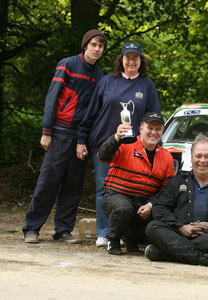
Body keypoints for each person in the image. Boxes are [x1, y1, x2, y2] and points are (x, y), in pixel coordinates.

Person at [22, 29, 107, 244]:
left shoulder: (100, 76)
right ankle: (31, 228)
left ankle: (63, 230)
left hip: (82, 138)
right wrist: (46, 131)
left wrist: (87, 139)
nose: (97, 49)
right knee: (48, 181)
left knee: (73, 184)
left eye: (101, 46)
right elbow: (53, 97)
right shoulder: (67, 64)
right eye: (94, 44)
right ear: (85, 45)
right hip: (60, 131)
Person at [76, 42, 160, 247]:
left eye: (135, 58)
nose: (131, 62)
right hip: (105, 144)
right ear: (121, 60)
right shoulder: (106, 82)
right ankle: (103, 233)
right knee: (104, 188)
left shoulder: (147, 85)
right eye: (127, 58)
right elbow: (90, 114)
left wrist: (157, 146)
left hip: (134, 148)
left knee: (128, 191)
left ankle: (121, 233)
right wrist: (81, 140)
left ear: (141, 61)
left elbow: (155, 118)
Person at [145, 134, 208, 268]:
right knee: (153, 227)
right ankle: (205, 259)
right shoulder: (177, 181)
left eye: (207, 156)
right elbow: (159, 208)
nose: (202, 160)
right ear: (191, 157)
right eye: (198, 156)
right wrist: (180, 227)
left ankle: (165, 253)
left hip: (205, 237)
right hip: (176, 233)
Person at [97, 112, 174, 255]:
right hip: (115, 197)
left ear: (162, 131)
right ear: (141, 128)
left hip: (143, 202)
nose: (153, 132)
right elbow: (102, 156)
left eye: (158, 129)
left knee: (162, 213)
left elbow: (167, 190)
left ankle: (131, 237)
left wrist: (151, 205)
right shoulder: (126, 144)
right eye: (150, 128)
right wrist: (116, 138)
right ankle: (113, 240)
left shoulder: (167, 157)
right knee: (124, 207)